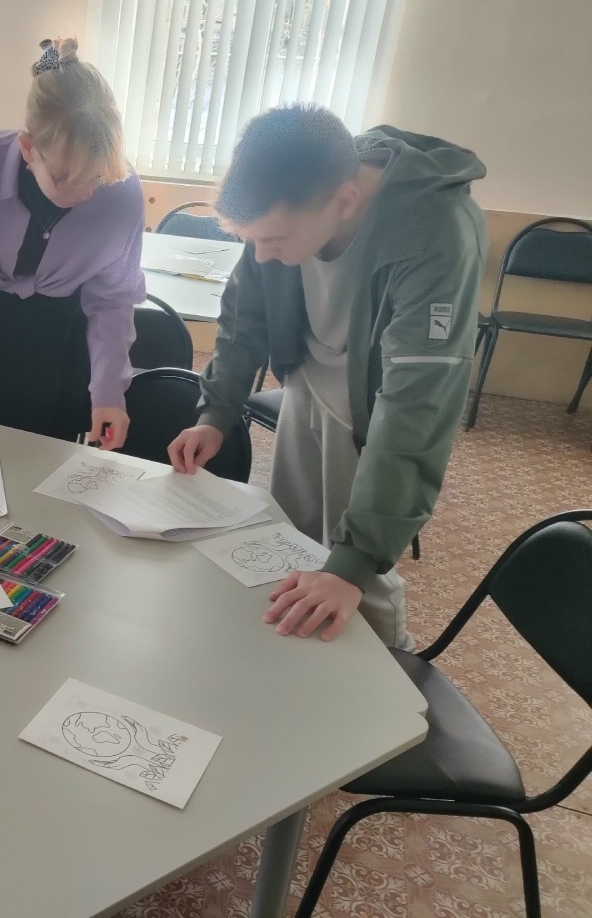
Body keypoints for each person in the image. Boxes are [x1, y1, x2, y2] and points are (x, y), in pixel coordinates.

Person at [168, 105, 487, 649]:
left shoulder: (438, 234)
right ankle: (300, 661)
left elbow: (417, 407)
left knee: (355, 575)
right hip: (308, 377)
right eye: (252, 240)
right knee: (293, 541)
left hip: (377, 404)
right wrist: (216, 412)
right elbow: (245, 314)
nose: (260, 255)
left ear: (344, 203)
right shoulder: (286, 199)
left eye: (275, 240)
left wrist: (355, 562)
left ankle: (394, 666)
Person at [0, 37, 145, 449]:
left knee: (42, 466)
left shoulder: (121, 194)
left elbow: (112, 301)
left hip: (56, 344)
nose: (83, 194)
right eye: (63, 177)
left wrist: (109, 392)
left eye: (95, 178)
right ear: (28, 149)